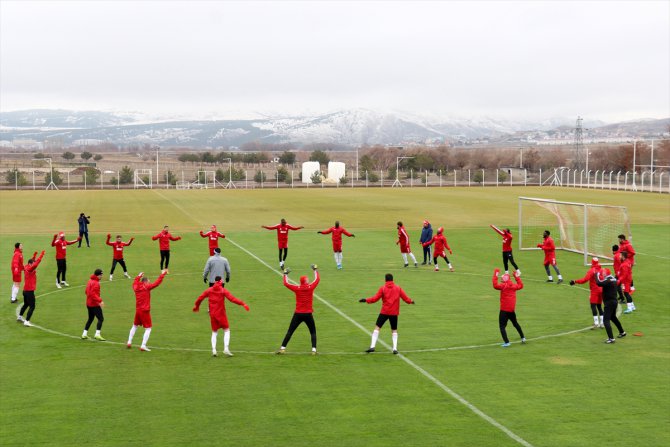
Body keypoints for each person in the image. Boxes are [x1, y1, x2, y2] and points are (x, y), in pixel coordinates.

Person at [193, 276, 249, 357]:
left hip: (212, 314)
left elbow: (200, 298)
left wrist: (197, 306)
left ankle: (214, 350)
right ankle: (226, 348)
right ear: (220, 281)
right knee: (226, 330)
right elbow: (232, 299)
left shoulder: (209, 290)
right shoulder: (223, 290)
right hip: (221, 314)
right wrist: (243, 303)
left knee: (214, 332)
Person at [359, 273, 414, 354]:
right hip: (394, 313)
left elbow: (375, 299)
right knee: (394, 330)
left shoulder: (383, 288)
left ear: (385, 280)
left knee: (377, 327)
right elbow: (405, 298)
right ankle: (395, 349)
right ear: (392, 280)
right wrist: (411, 301)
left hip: (384, 312)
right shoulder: (398, 288)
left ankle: (372, 346)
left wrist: (365, 300)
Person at [276, 264, 319, 355]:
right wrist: (315, 269)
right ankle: (314, 350)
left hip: (298, 314)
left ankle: (282, 348)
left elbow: (286, 283)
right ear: (306, 281)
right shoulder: (310, 287)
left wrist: (285, 274)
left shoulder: (297, 289)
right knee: (313, 332)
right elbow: (317, 279)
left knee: (290, 331)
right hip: (308, 314)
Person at [127, 270, 167, 352]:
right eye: (149, 281)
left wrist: (139, 275)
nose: (150, 282)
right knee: (148, 328)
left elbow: (135, 281)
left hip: (138, 310)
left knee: (134, 326)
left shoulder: (136, 287)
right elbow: (157, 283)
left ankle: (129, 342)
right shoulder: (146, 287)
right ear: (145, 282)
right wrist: (163, 274)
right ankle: (143, 346)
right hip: (144, 311)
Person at [492, 268, 526, 347]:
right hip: (511, 310)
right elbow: (521, 285)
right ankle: (523, 337)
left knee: (502, 326)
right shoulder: (513, 286)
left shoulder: (503, 286)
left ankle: (507, 342)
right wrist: (516, 277)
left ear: (504, 279)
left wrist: (496, 273)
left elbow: (495, 285)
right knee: (515, 323)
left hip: (504, 310)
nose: (501, 280)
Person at [570, 257, 604, 329]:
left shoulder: (591, 271)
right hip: (601, 290)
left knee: (593, 306)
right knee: (599, 306)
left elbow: (584, 280)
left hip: (595, 290)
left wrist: (575, 281)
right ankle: (602, 323)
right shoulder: (602, 270)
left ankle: (596, 323)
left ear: (592, 263)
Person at [595, 268, 627, 343]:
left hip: (609, 303)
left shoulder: (608, 280)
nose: (602, 274)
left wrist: (596, 275)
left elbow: (599, 283)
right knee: (613, 317)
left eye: (603, 273)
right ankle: (622, 332)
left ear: (606, 273)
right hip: (614, 302)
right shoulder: (613, 279)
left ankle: (611, 338)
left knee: (606, 320)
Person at [18, 251, 45, 327]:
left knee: (26, 304)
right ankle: (26, 321)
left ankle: (19, 317)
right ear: (31, 264)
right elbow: (36, 264)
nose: (34, 264)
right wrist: (41, 255)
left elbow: (33, 262)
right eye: (33, 263)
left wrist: (34, 256)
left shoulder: (26, 266)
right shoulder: (30, 269)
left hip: (25, 291)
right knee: (32, 306)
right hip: (29, 291)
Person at [82, 269, 105, 341]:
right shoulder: (96, 283)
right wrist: (100, 301)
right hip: (94, 304)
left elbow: (86, 292)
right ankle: (97, 334)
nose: (102, 276)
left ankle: (84, 334)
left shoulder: (90, 281)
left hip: (88, 304)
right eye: (101, 275)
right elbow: (93, 294)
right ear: (98, 275)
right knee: (101, 318)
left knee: (90, 319)